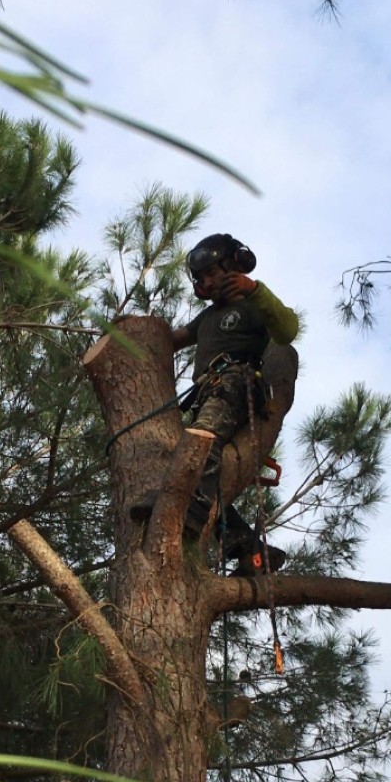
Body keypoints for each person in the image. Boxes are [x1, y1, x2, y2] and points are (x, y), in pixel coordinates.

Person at [136, 232, 300, 574]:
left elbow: (287, 330)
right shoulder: (208, 318)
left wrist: (254, 290)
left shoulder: (251, 305)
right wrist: (134, 332)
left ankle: (192, 511)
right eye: (201, 279)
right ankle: (248, 546)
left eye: (213, 273)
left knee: (203, 443)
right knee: (198, 456)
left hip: (234, 385)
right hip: (207, 395)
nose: (208, 283)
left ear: (235, 266)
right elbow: (174, 339)